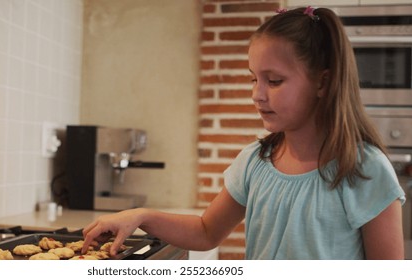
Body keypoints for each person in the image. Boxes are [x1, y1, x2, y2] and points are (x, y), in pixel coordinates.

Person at [81, 6, 406, 260]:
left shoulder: (364, 170)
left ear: (322, 82)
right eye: (254, 79)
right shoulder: (256, 161)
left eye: (274, 81)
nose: (257, 94)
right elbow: (207, 231)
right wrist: (141, 216)